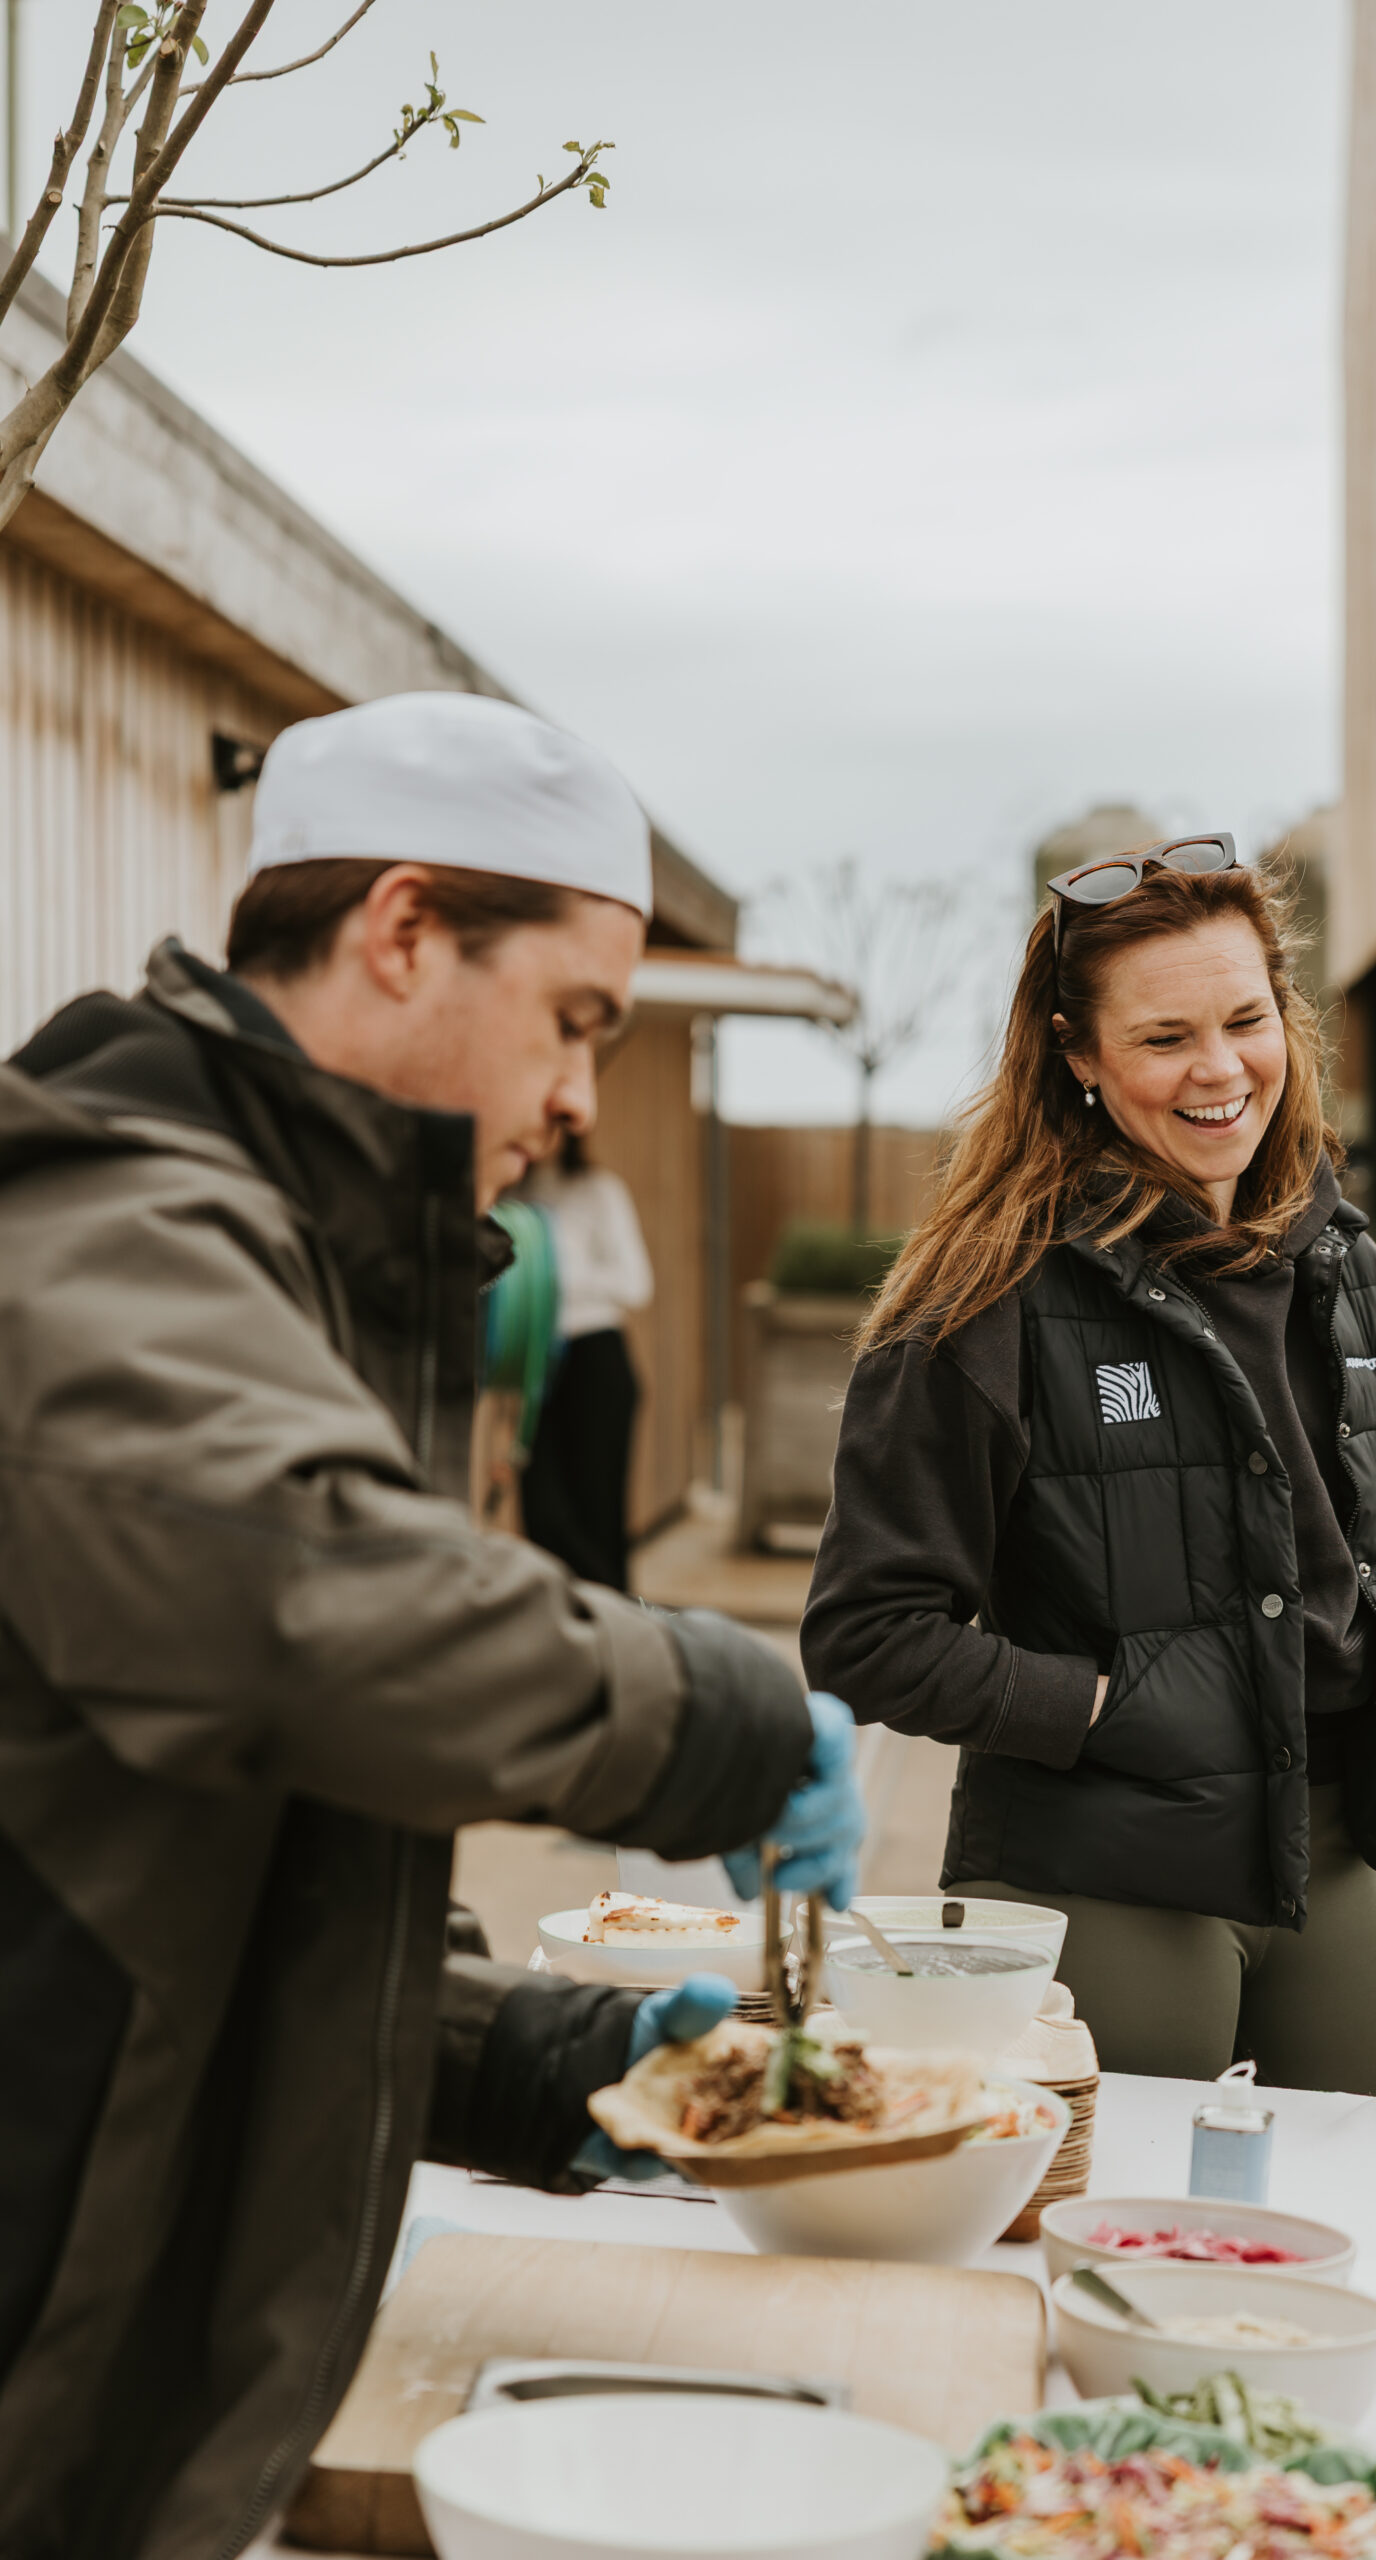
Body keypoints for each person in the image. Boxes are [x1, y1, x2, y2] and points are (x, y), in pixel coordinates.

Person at [0, 691, 864, 2560]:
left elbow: (211, 1875)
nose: (576, 1104)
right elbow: (309, 1611)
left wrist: (530, 2058)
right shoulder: (104, 1222)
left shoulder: (297, 1258)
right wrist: (716, 1712)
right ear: (401, 933)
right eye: (575, 1023)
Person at [801, 836, 1376, 2092]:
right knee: (1090, 2254)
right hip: (1092, 1859)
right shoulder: (984, 1294)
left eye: (1245, 1020)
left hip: (1326, 1856)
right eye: (1163, 1039)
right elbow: (868, 1632)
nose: (1220, 1071)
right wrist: (1108, 1709)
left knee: (1364, 2231)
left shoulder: (1355, 1276)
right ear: (1078, 1055)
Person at [523, 1133, 653, 1589]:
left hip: (595, 1357)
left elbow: (637, 1283)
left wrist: (558, 1275)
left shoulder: (598, 1190)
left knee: (598, 1513)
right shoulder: (512, 1194)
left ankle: (615, 1630)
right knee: (542, 1512)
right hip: (537, 1365)